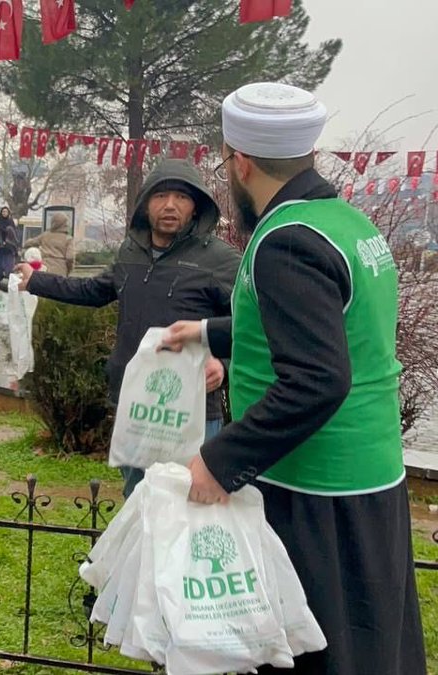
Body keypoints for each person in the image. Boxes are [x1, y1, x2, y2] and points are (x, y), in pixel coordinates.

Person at [160, 82, 425, 675]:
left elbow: (317, 379)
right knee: (372, 645)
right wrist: (205, 331)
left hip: (314, 492)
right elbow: (309, 325)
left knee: (323, 653)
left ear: (241, 161)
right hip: (370, 478)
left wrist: (221, 461)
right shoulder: (345, 223)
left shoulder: (286, 241)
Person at [13, 159, 239, 497]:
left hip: (191, 409)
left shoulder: (220, 260)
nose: (170, 205)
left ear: (196, 208)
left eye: (181, 197)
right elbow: (94, 291)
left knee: (187, 506)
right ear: (146, 204)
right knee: (138, 502)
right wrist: (37, 282)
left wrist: (224, 365)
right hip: (136, 405)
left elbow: (253, 326)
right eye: (161, 196)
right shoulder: (131, 252)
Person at [0, 206, 20, 281]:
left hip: (8, 248)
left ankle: (7, 278)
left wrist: (10, 242)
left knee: (8, 264)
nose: (4, 213)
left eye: (6, 212)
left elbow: (14, 234)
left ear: (8, 213)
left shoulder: (10, 222)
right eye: (3, 211)